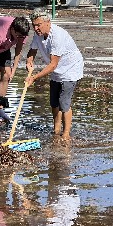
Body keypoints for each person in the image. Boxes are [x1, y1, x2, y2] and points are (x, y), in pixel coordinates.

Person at [25, 8, 84, 141]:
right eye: (34, 25)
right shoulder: (37, 34)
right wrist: (29, 60)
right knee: (54, 102)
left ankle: (66, 134)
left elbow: (53, 65)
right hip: (56, 71)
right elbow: (32, 51)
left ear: (47, 22)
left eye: (38, 25)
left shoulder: (57, 36)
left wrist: (34, 78)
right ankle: (56, 131)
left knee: (64, 103)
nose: (36, 28)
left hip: (70, 69)